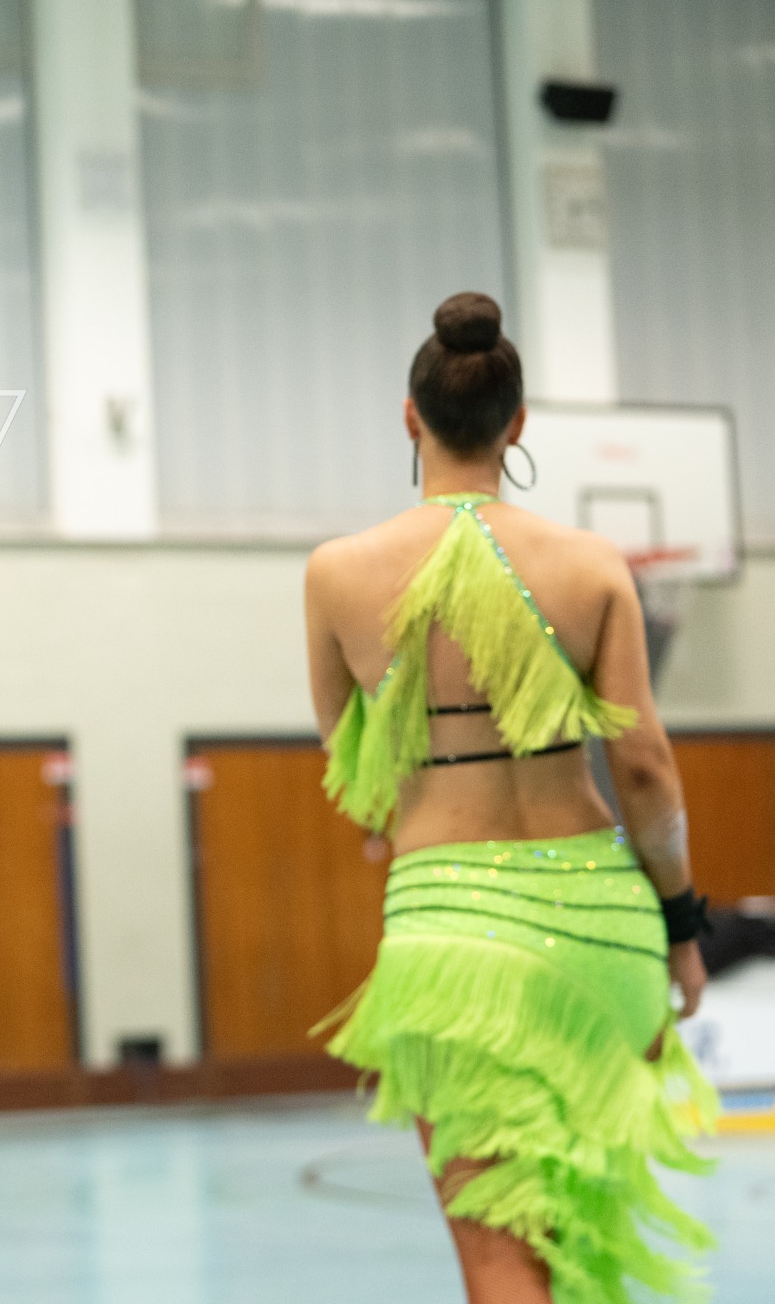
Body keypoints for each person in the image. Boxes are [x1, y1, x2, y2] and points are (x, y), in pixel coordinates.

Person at [305, 294, 716, 1303]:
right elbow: (646, 770)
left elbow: (353, 770)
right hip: (603, 930)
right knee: (581, 1234)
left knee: (499, 1256)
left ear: (410, 417)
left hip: (451, 929)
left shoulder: (335, 573)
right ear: (516, 424)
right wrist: (679, 926)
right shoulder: (591, 566)